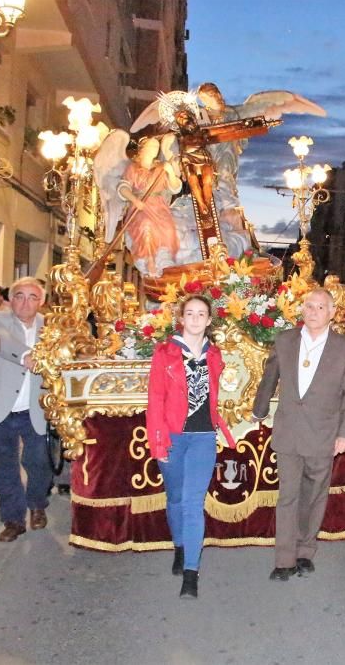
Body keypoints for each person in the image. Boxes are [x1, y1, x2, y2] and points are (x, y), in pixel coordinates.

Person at [252, 289, 345, 581]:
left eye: (320, 307)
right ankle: (284, 558)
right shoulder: (285, 340)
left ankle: (305, 550)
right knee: (288, 496)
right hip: (288, 431)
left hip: (323, 435)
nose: (313, 311)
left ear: (331, 312)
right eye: (309, 306)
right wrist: (258, 410)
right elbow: (269, 377)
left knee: (314, 496)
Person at [146, 294, 233, 598]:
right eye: (190, 313)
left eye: (201, 314)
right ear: (181, 318)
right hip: (171, 436)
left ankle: (191, 573)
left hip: (203, 437)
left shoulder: (215, 355)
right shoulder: (164, 353)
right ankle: (180, 546)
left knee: (194, 503)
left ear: (209, 321)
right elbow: (155, 399)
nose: (195, 319)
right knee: (175, 500)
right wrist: (158, 440)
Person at [0, 277, 50, 543]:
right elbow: (0, 341)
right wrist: (27, 357)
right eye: (19, 296)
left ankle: (37, 505)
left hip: (36, 411)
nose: (25, 302)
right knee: (3, 467)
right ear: (10, 299)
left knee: (40, 463)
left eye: (32, 297)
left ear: (41, 302)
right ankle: (13, 520)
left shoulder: (51, 327)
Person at [118, 136, 182, 277]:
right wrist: (135, 201)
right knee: (146, 225)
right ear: (143, 148)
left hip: (159, 206)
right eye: (151, 146)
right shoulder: (133, 168)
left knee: (169, 229)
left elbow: (175, 188)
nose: (154, 149)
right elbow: (123, 188)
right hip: (140, 207)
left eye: (156, 147)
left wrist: (170, 171)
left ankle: (166, 259)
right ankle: (150, 260)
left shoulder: (160, 168)